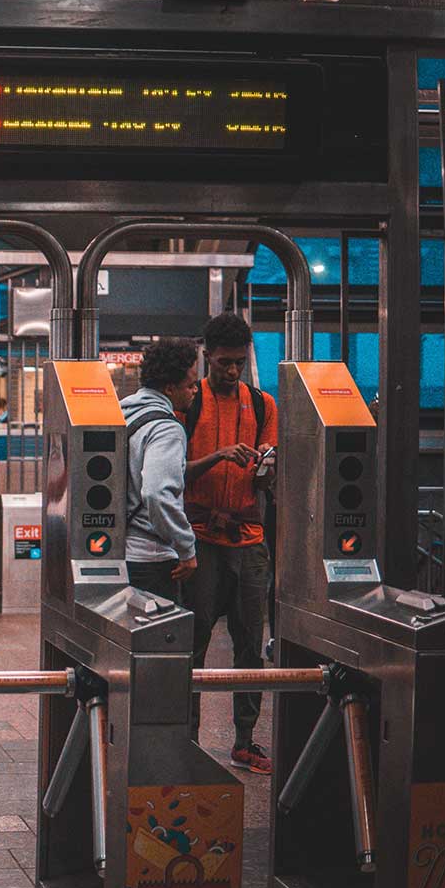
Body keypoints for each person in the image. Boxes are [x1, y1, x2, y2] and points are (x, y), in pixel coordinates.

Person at [183, 313, 278, 775]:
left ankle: (245, 740)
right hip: (200, 538)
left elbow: (271, 471)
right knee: (193, 641)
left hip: (248, 537)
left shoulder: (262, 406)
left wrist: (266, 469)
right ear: (207, 356)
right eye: (224, 362)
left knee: (249, 643)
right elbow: (172, 471)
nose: (232, 371)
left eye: (239, 362)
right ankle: (187, 737)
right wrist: (217, 459)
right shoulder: (189, 403)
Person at [120, 338, 201, 603]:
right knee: (159, 640)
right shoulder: (166, 428)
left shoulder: (124, 413)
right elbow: (157, 493)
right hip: (152, 559)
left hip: (121, 552)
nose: (195, 391)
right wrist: (186, 548)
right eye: (190, 385)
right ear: (169, 388)